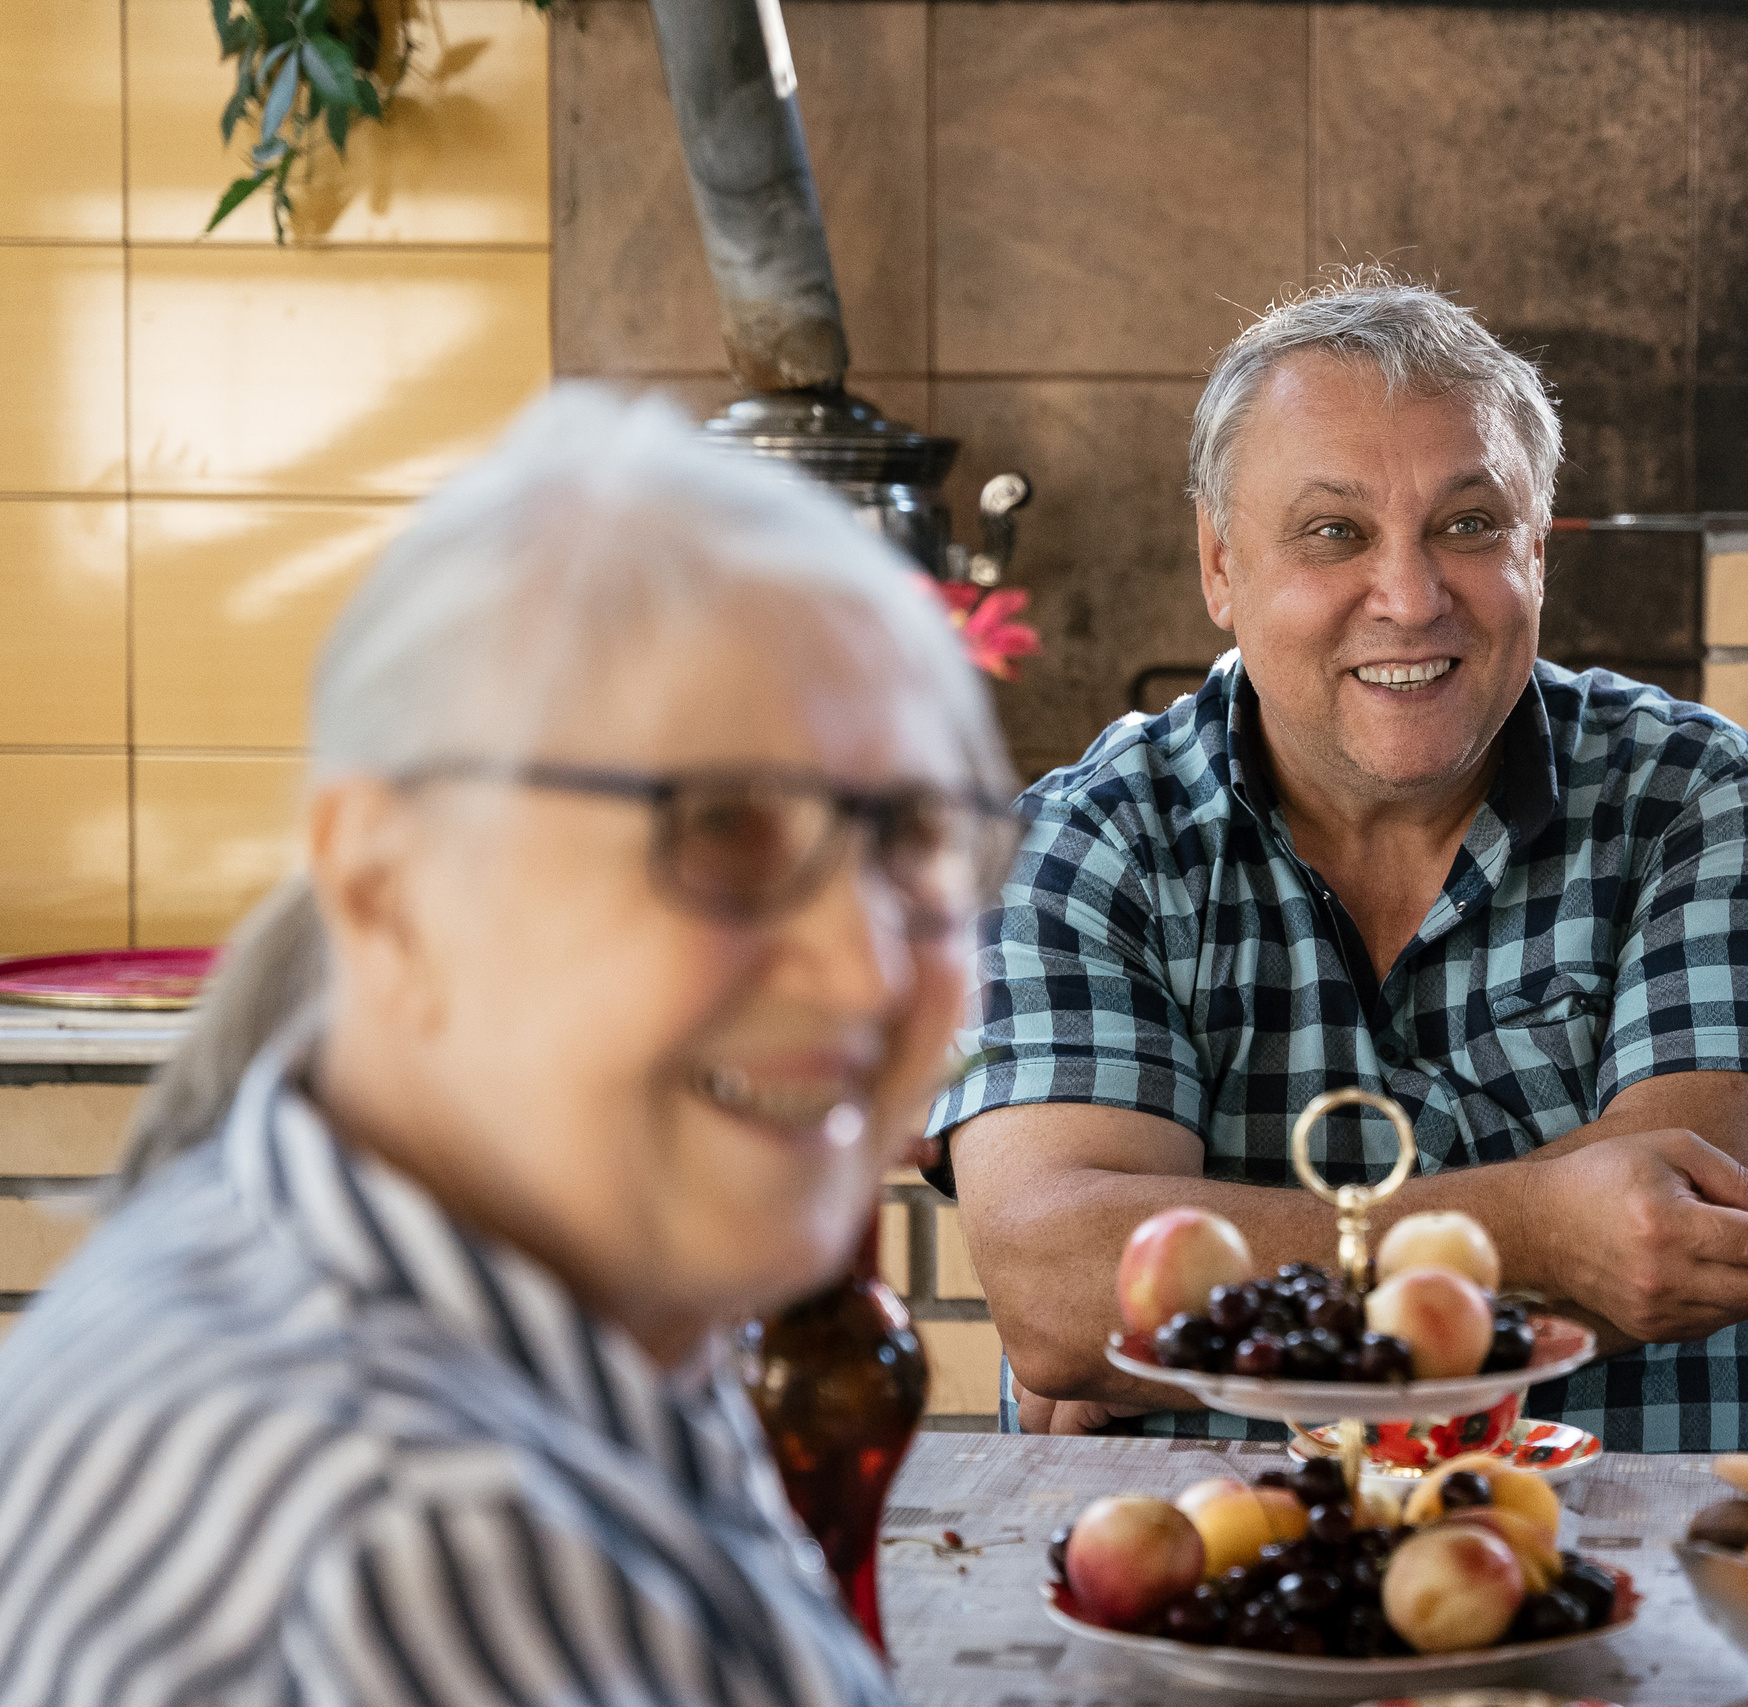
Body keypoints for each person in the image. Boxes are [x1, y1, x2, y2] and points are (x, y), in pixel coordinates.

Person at [0, 389, 1012, 1705]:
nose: (866, 964)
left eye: (912, 835)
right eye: (718, 826)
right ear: (389, 891)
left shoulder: (539, 1313)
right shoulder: (427, 1546)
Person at [929, 268, 1748, 1454]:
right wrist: (1545, 1227)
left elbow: (1681, 1237)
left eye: (1468, 527)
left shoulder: (1694, 793)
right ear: (1220, 565)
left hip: (1650, 1546)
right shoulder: (1082, 839)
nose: (1411, 599)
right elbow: (1059, 1286)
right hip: (1218, 1560)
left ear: (1536, 551)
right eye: (1335, 533)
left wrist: (1196, 1323)